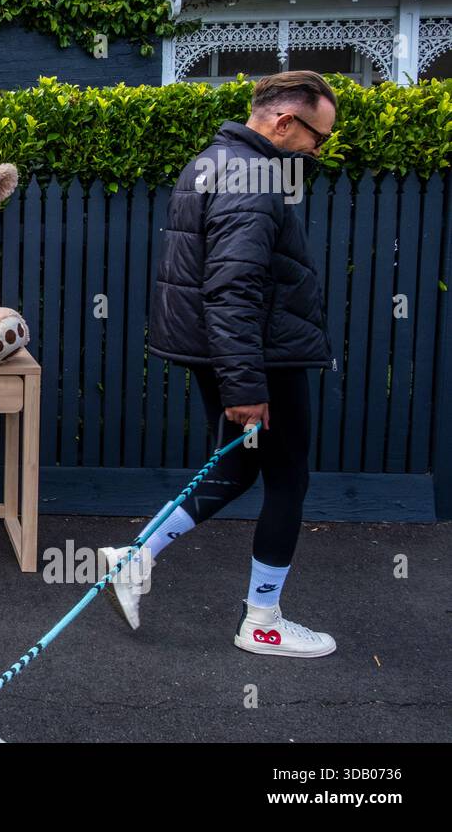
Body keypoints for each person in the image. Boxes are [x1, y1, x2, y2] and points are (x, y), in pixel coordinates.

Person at [101, 70, 338, 658]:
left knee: (236, 470)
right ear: (285, 121)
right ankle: (262, 623)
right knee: (287, 480)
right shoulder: (251, 176)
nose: (318, 150)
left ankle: (135, 558)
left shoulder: (214, 159)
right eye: (319, 137)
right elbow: (232, 287)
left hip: (236, 352)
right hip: (259, 357)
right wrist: (246, 384)